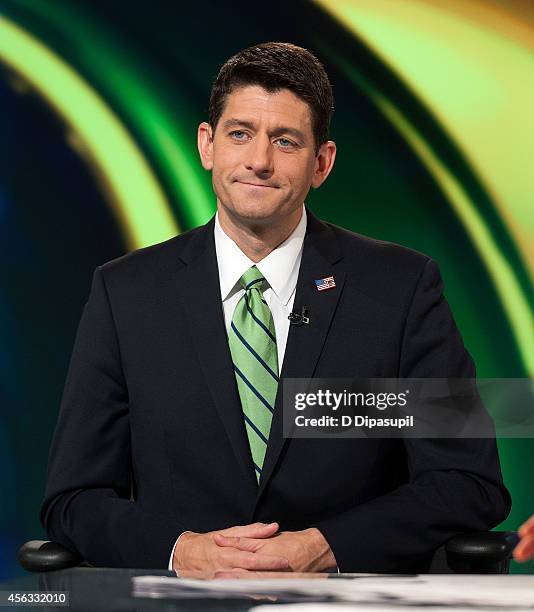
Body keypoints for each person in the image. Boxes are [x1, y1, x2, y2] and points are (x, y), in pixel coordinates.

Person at [41, 42, 510, 574]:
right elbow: (73, 500)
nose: (259, 161)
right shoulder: (125, 293)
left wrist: (325, 545)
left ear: (322, 163)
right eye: (239, 134)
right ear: (206, 144)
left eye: (285, 141)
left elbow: (469, 483)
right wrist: (182, 551)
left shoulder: (400, 288)